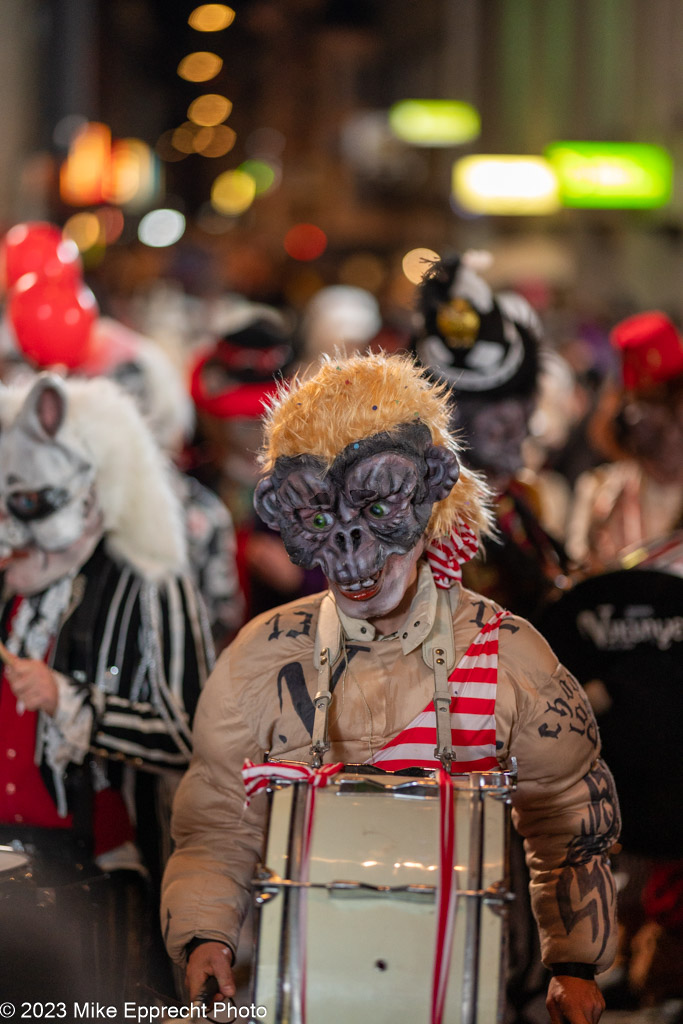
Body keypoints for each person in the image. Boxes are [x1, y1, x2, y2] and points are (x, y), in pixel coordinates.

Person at [161, 352, 620, 1024]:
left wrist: (573, 963)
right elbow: (217, 820)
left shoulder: (506, 655)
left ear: (430, 490)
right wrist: (206, 934)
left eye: (375, 508)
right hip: (304, 988)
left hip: (475, 986)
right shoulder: (262, 656)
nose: (350, 554)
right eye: (322, 520)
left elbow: (568, 813)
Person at [0, 372, 212, 1001]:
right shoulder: (13, 580)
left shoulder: (152, 580)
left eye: (34, 504)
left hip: (96, 875)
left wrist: (71, 702)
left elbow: (188, 736)